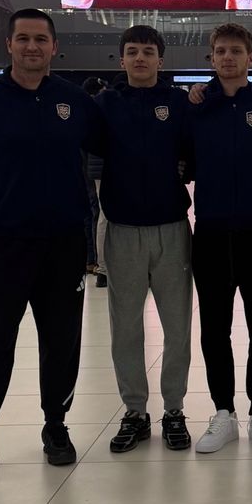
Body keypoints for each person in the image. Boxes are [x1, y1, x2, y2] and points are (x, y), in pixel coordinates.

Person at [0, 9, 105, 482]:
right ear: (9, 45)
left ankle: (56, 427)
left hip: (64, 244)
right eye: (23, 39)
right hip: (5, 244)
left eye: (41, 39)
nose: (32, 47)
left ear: (54, 47)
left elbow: (117, 145)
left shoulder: (73, 101)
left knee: (61, 342)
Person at [187, 23, 252, 453]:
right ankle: (223, 412)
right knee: (214, 328)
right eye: (220, 51)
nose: (227, 57)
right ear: (211, 58)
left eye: (235, 51)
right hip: (211, 233)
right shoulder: (196, 108)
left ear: (251, 58)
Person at [96, 26, 193, 454]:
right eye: (132, 51)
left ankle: (174, 410)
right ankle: (135, 410)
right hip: (122, 230)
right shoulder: (104, 105)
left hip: (171, 228)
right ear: (121, 59)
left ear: (160, 60)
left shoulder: (179, 103)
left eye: (148, 52)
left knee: (178, 326)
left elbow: (194, 150)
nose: (140, 58)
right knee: (125, 328)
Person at [82, 77, 107, 286]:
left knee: (94, 214)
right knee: (101, 216)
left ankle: (93, 261)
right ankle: (101, 265)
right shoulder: (98, 110)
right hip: (98, 171)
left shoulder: (84, 110)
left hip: (89, 170)